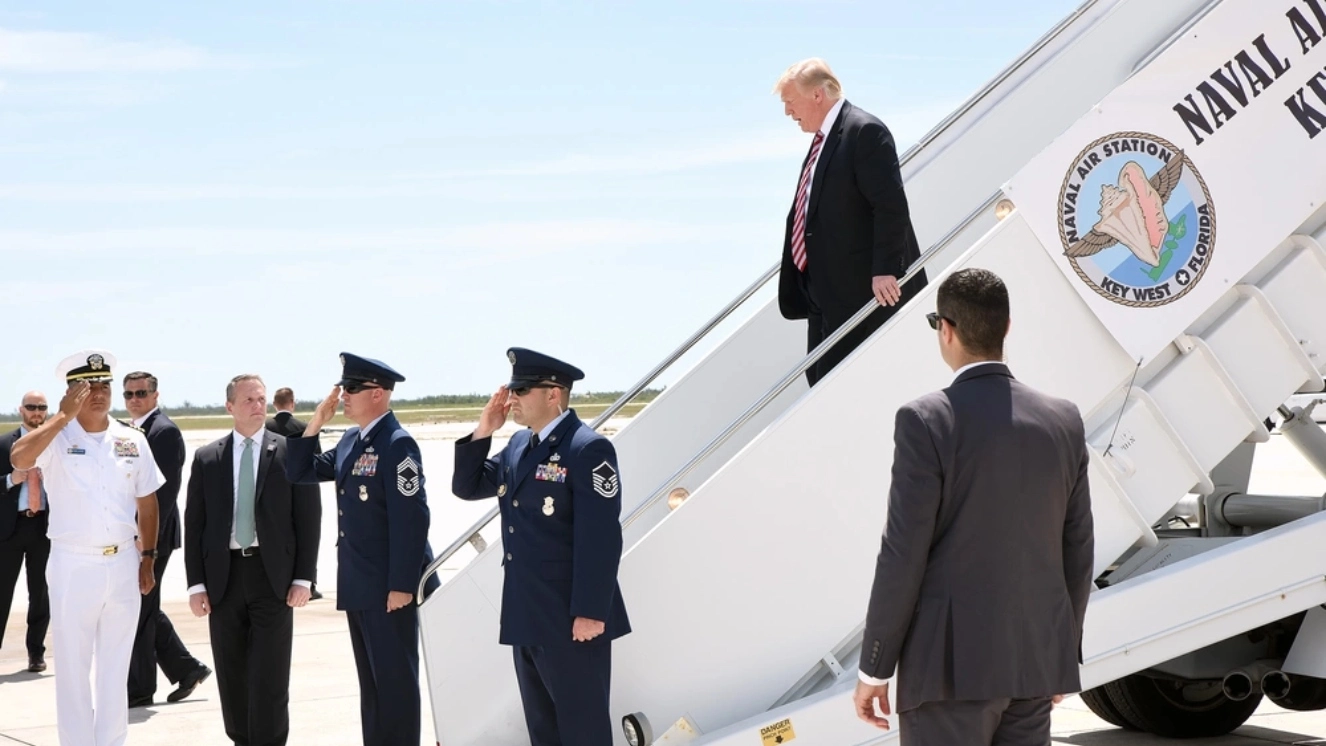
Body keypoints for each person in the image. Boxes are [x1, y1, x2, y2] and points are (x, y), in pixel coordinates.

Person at [852, 269, 1095, 745]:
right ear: (1006, 328)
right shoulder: (1064, 420)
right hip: (1032, 666)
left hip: (946, 673)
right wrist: (1058, 652)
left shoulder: (926, 420)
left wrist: (874, 668)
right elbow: (1078, 546)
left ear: (946, 330)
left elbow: (903, 553)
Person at [453, 347, 631, 746]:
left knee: (582, 731)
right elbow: (466, 486)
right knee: (543, 732)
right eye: (512, 389)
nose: (512, 398)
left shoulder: (587, 449)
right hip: (527, 613)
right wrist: (485, 429)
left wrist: (589, 612)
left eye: (521, 390)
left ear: (553, 394)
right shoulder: (518, 445)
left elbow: (601, 538)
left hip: (571, 620)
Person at [11, 350, 163, 746]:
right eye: (87, 386)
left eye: (104, 385)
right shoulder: (56, 438)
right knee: (74, 669)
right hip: (73, 565)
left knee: (115, 668)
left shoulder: (131, 439)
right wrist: (60, 416)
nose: (98, 393)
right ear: (71, 392)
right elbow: (19, 457)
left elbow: (147, 500)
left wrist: (148, 558)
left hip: (123, 562)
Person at [286, 353, 436, 746]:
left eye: (352, 388)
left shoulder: (397, 443)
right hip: (359, 584)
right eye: (343, 387)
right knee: (372, 688)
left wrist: (403, 584)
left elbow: (413, 519)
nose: (344, 395)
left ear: (379, 394)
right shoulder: (353, 439)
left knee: (396, 686)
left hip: (390, 588)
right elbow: (300, 471)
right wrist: (316, 422)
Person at [184, 374, 321, 746]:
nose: (258, 406)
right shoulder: (208, 457)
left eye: (261, 399)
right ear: (230, 406)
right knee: (232, 673)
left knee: (270, 675)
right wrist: (196, 584)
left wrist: (303, 578)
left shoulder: (291, 453)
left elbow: (309, 519)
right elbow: (194, 524)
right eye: (248, 400)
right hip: (224, 578)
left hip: (272, 576)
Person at [774, 58, 928, 386]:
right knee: (819, 385)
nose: (788, 112)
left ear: (817, 95)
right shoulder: (822, 143)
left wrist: (885, 268)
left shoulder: (863, 131)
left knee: (852, 389)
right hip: (824, 297)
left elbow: (890, 206)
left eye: (790, 102)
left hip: (862, 298)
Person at [122, 371, 211, 706]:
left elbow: (164, 494)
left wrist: (147, 545)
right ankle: (187, 669)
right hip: (133, 534)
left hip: (151, 538)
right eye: (129, 394)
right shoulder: (128, 431)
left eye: (141, 393)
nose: (134, 400)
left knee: (140, 609)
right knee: (143, 606)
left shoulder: (164, 432)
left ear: (155, 396)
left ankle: (140, 689)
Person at [0, 390, 52, 672]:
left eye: (41, 407)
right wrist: (10, 479)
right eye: (31, 407)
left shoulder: (54, 444)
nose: (36, 412)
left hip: (43, 528)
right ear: (21, 410)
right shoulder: (3, 444)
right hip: (9, 528)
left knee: (41, 594)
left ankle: (36, 652)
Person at [265, 386, 325, 600]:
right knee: (307, 533)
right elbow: (315, 459)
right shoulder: (304, 427)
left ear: (274, 404)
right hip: (302, 488)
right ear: (292, 403)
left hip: (273, 491)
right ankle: (310, 582)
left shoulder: (266, 427)